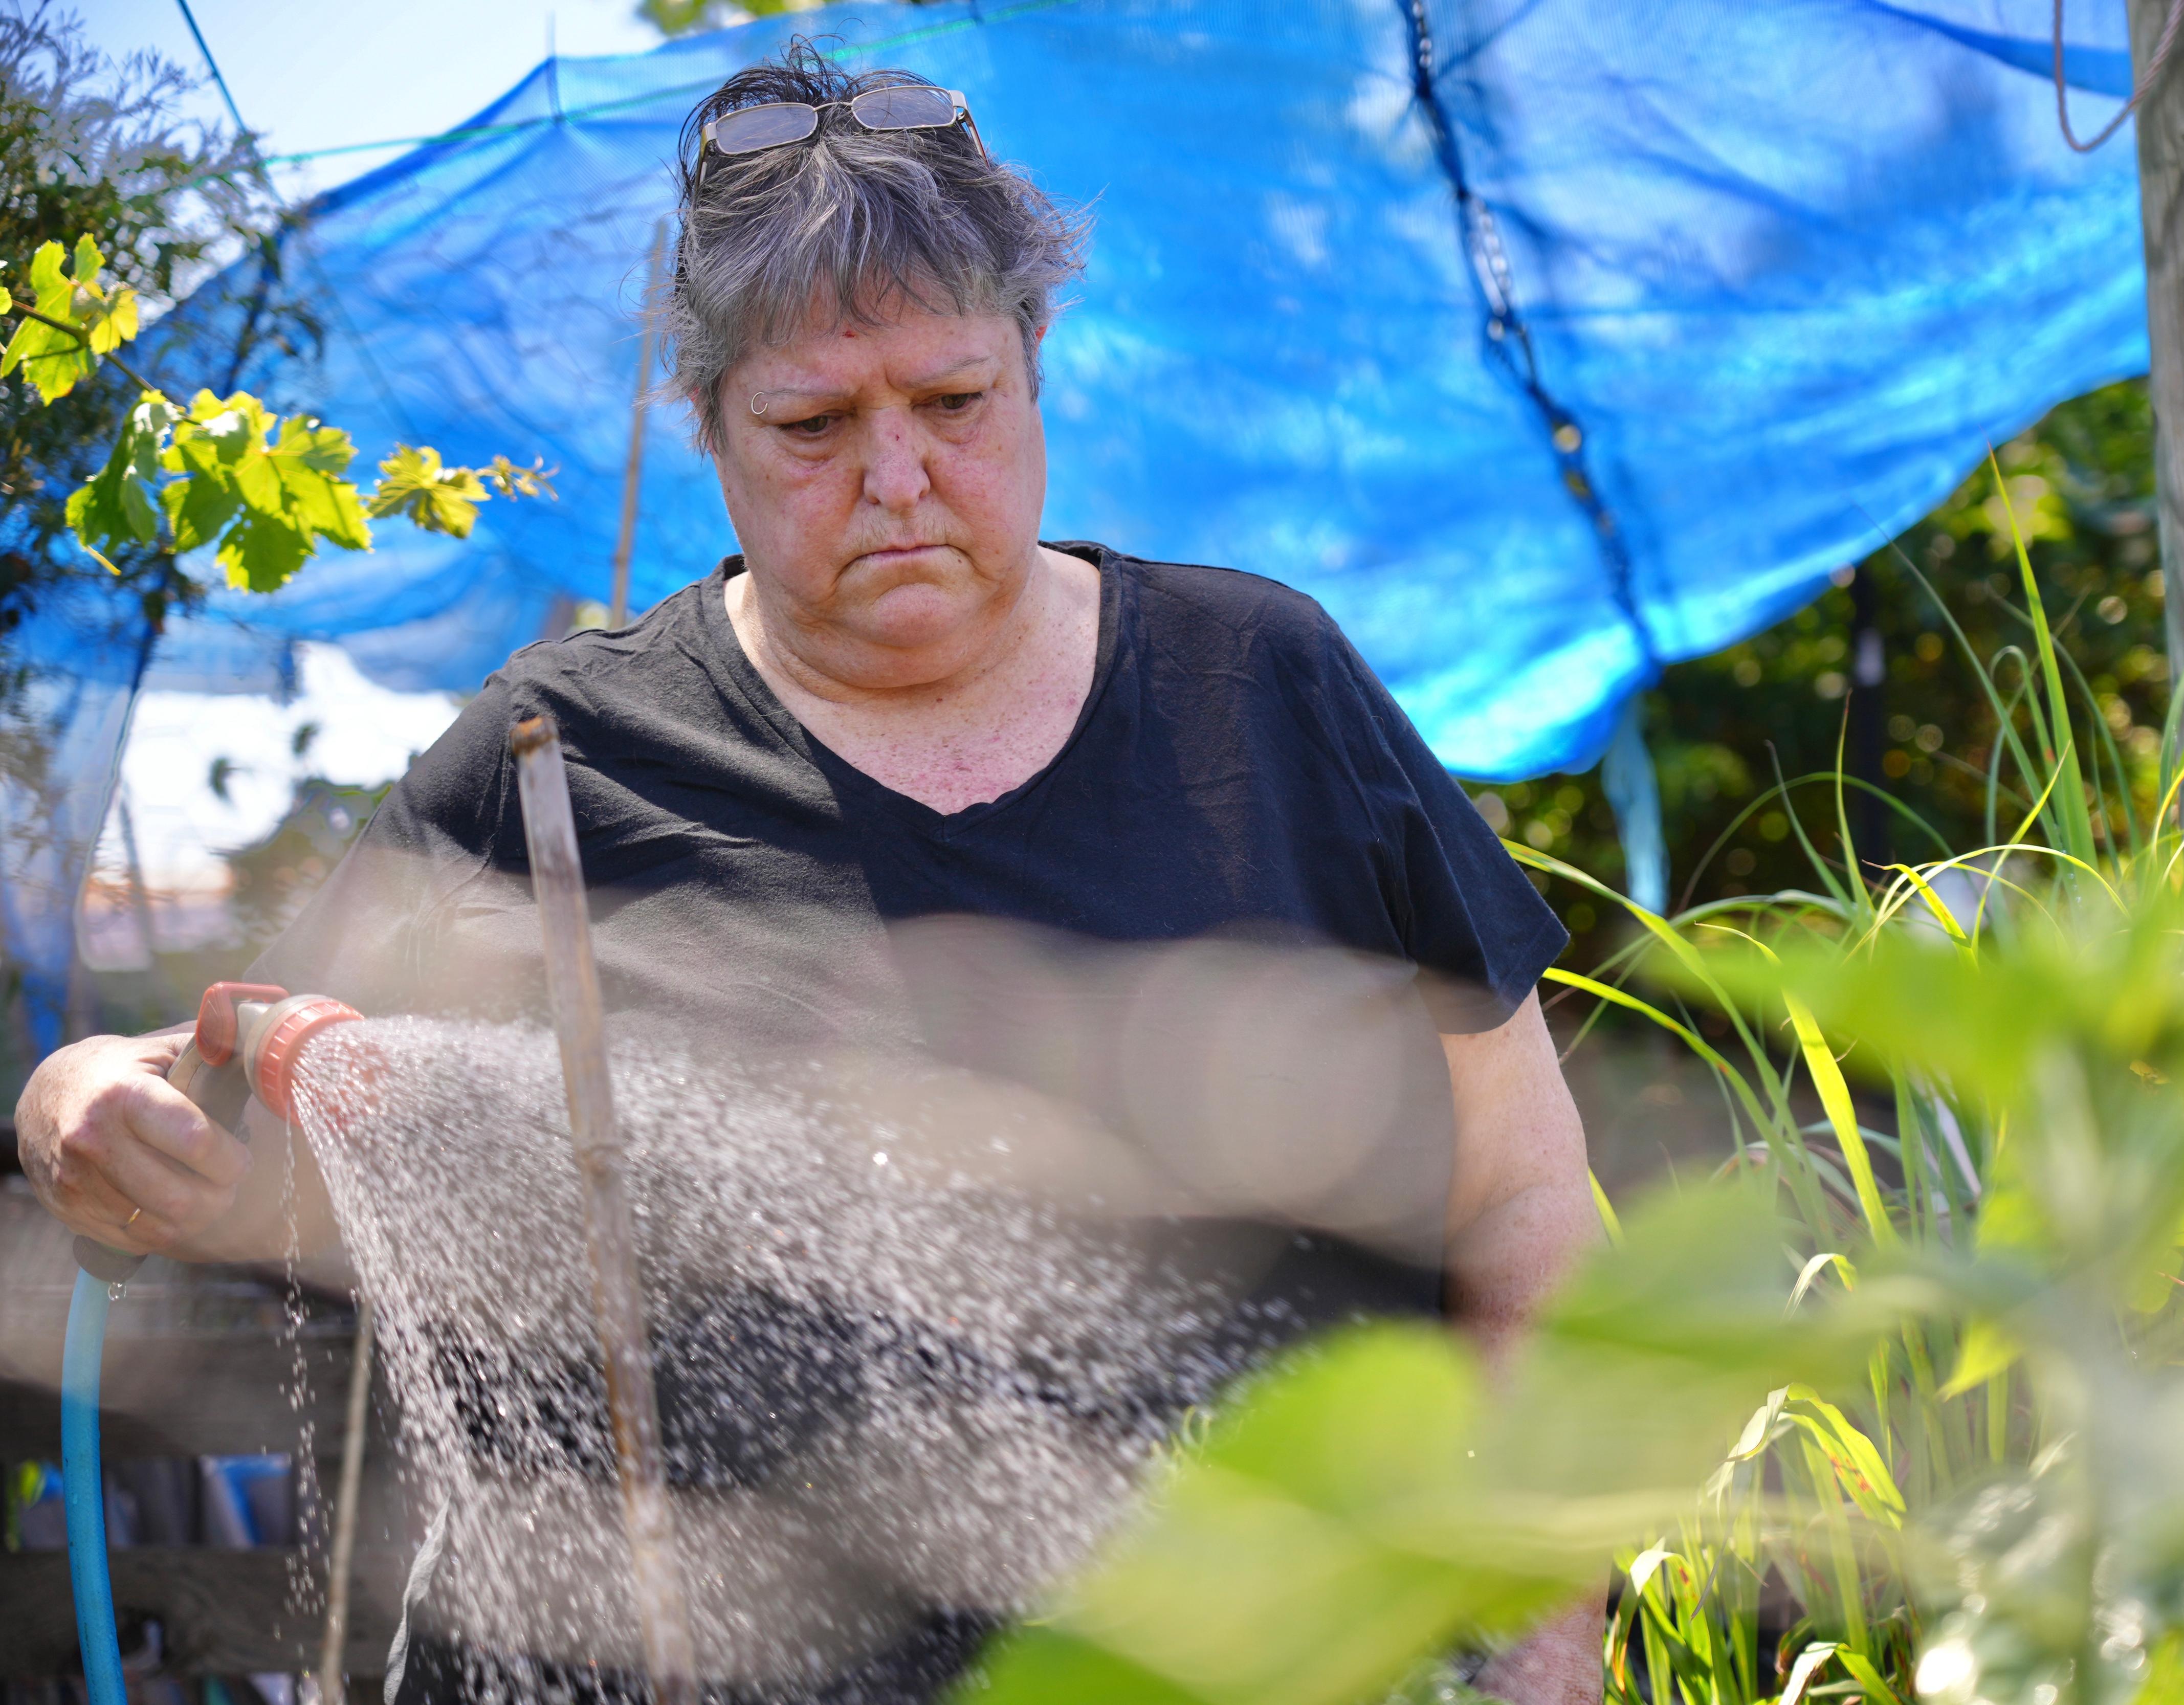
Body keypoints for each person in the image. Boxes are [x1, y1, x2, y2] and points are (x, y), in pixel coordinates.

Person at [16, 47, 1601, 1704]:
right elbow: (239, 1078)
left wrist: (1550, 1638)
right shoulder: (555, 760)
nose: (898, 479)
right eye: (814, 425)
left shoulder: (1263, 689)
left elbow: (1524, 1199)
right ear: (710, 427)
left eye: (954, 403)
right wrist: (82, 1100)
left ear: (1036, 367)